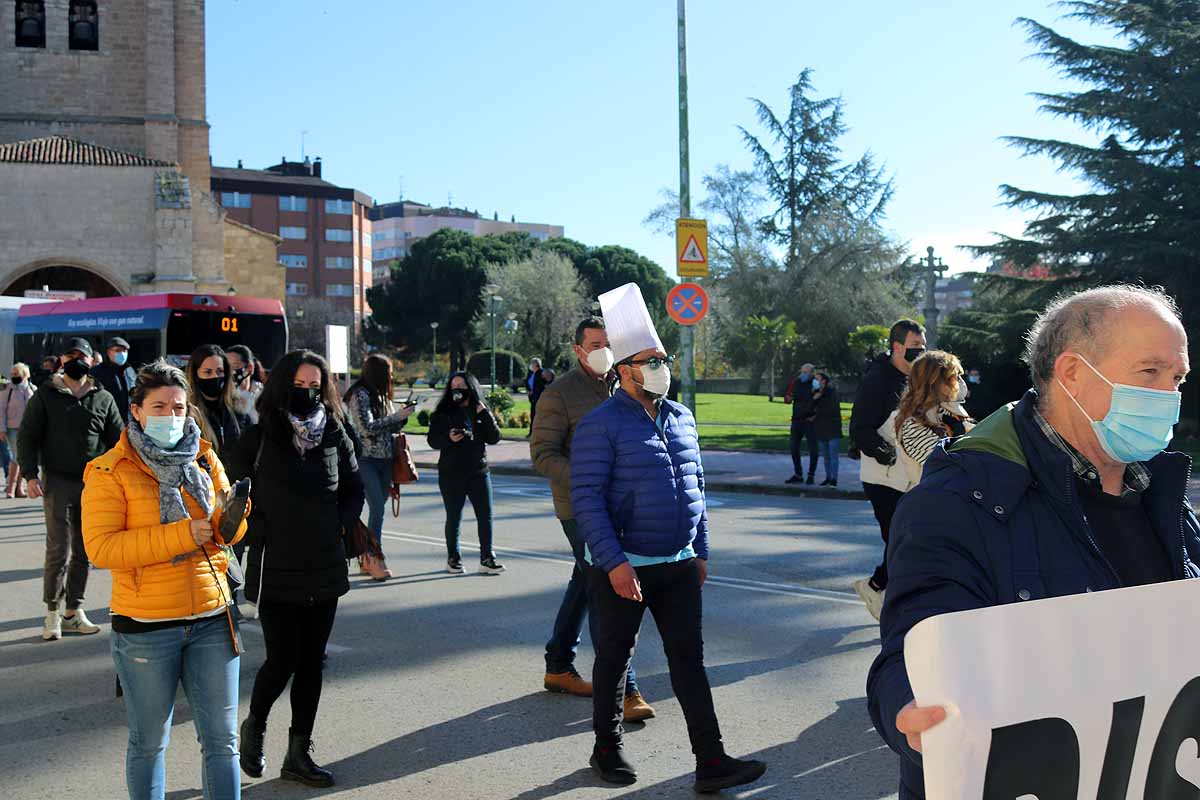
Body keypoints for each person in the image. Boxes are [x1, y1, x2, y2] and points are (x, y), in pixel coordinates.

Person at [868, 286, 1200, 800]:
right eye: (1149, 372)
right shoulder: (958, 499)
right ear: (1072, 373)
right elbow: (913, 646)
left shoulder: (1162, 493)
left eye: (1177, 377)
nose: (1169, 394)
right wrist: (913, 712)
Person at [571, 283, 767, 792]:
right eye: (651, 359)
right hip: (623, 567)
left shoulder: (681, 418)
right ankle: (606, 750)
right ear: (625, 370)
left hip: (678, 563)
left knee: (689, 665)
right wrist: (614, 562)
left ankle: (712, 760)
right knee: (614, 660)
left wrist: (700, 550)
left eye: (664, 357)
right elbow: (587, 498)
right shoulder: (601, 424)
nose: (662, 366)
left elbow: (695, 486)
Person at [81, 360, 250, 800]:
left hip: (213, 618)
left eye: (178, 407)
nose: (171, 416)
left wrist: (234, 518)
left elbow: (225, 533)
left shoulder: (203, 455)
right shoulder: (108, 470)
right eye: (159, 407)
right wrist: (181, 534)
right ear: (135, 410)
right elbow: (101, 549)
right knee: (149, 743)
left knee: (222, 742)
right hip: (146, 628)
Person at [233, 350, 365, 788]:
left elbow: (354, 486)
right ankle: (254, 724)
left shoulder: (334, 433)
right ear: (282, 385)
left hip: (323, 564)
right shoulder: (259, 437)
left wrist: (339, 525)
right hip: (277, 566)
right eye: (299, 384)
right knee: (282, 659)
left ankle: (298, 752)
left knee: (313, 663)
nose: (307, 393)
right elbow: (234, 498)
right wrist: (261, 530)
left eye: (315, 386)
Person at [530, 316, 654, 721]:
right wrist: (589, 477)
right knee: (607, 584)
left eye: (609, 343)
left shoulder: (624, 383)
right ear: (578, 349)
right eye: (595, 343)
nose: (604, 350)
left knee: (586, 578)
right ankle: (625, 688)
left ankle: (559, 665)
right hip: (579, 506)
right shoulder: (558, 394)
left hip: (621, 505)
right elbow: (542, 455)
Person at [19, 337, 123, 641]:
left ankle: (73, 610)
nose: (76, 359)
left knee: (84, 551)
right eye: (70, 355)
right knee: (59, 549)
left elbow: (118, 440)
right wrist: (29, 475)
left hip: (94, 483)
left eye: (82, 355)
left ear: (92, 361)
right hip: (57, 481)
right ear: (61, 359)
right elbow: (27, 436)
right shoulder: (45, 395)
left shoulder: (102, 397)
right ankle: (52, 611)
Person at [848, 319, 926, 620]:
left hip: (909, 476)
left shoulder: (916, 378)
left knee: (911, 539)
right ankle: (883, 591)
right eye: (913, 349)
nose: (919, 355)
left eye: (923, 349)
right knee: (901, 543)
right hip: (882, 479)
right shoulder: (877, 378)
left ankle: (880, 588)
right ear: (896, 347)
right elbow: (860, 429)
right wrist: (890, 455)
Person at [344, 353, 415, 580]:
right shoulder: (359, 395)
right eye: (389, 373)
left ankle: (366, 555)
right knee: (377, 507)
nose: (392, 377)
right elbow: (366, 428)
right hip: (366, 459)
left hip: (386, 459)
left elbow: (389, 426)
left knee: (379, 508)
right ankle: (374, 558)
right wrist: (396, 417)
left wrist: (402, 416)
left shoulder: (382, 395)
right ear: (379, 373)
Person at [427, 372, 505, 575]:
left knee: (485, 516)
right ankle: (454, 558)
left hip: (478, 471)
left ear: (471, 387)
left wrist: (485, 414)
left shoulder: (479, 410)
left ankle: (487, 558)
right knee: (454, 516)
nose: (457, 390)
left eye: (461, 386)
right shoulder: (443, 412)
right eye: (454, 386)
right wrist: (449, 438)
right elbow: (433, 440)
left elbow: (494, 437)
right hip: (451, 473)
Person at [893, 352, 971, 488]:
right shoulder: (913, 425)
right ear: (934, 382)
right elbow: (943, 467)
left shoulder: (950, 414)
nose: (960, 382)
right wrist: (960, 437)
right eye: (954, 377)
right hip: (933, 502)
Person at [186, 345, 249, 461]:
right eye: (207, 372)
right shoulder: (188, 415)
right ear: (196, 375)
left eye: (220, 371)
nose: (215, 377)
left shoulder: (239, 410)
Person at [0, 363, 35, 497]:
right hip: (11, 428)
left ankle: (18, 487)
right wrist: (1, 429)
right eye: (13, 374)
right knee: (17, 456)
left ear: (24, 375)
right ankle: (12, 487)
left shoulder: (31, 389)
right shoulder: (6, 390)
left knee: (21, 457)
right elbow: (1, 410)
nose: (14, 376)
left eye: (17, 373)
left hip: (27, 429)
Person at [783, 363, 818, 484]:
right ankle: (798, 474)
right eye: (802, 372)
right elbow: (787, 398)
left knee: (813, 448)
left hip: (810, 420)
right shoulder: (796, 382)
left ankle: (811, 475)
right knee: (793, 447)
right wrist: (788, 398)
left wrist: (816, 415)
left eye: (806, 372)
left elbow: (821, 400)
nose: (803, 375)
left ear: (812, 373)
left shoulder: (815, 383)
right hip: (796, 419)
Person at [92, 336, 137, 424]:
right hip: (106, 422)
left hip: (128, 423)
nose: (122, 354)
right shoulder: (97, 372)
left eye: (124, 351)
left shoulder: (130, 371)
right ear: (109, 352)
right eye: (118, 350)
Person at [810, 371, 841, 487]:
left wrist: (819, 400)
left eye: (817, 379)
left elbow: (831, 409)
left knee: (833, 455)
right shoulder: (815, 393)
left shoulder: (832, 392)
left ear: (824, 381)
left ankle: (834, 479)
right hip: (821, 428)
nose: (815, 381)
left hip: (832, 428)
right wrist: (814, 400)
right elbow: (810, 408)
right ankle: (828, 477)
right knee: (826, 456)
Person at [226, 345, 262, 424]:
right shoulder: (224, 396)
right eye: (227, 367)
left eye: (235, 366)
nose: (230, 371)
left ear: (249, 367)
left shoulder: (263, 395)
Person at [527, 357, 547, 434]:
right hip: (533, 398)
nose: (531, 365)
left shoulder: (542, 373)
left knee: (538, 416)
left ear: (536, 364)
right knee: (533, 415)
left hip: (539, 398)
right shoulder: (532, 373)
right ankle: (532, 432)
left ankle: (538, 432)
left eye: (532, 363)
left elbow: (543, 385)